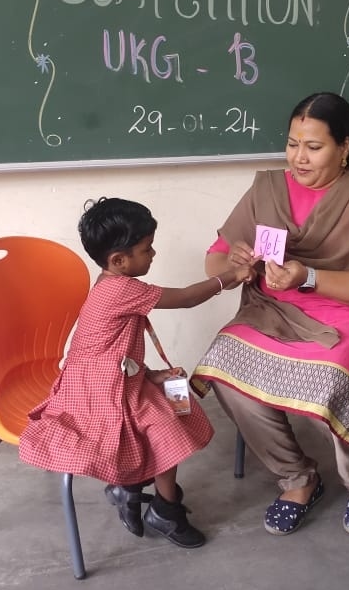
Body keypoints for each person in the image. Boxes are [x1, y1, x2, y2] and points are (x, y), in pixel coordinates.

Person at [192, 92, 349, 537]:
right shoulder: (267, 190)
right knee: (222, 366)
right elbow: (215, 260)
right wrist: (236, 265)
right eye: (292, 144)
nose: (299, 157)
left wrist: (309, 277)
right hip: (276, 307)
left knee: (332, 377)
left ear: (344, 147)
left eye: (314, 147)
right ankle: (297, 477)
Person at [19, 197, 253, 549]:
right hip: (96, 392)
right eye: (147, 249)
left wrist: (148, 375)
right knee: (167, 428)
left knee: (171, 406)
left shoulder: (109, 283)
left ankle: (132, 489)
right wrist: (230, 276)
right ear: (118, 260)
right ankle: (164, 509)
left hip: (110, 379)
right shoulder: (121, 289)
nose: (153, 254)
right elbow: (187, 298)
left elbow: (112, 351)